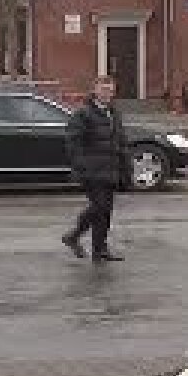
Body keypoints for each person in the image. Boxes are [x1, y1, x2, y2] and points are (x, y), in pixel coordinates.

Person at [61, 75, 128, 263]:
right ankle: (74, 235)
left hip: (111, 170)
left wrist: (125, 168)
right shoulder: (83, 114)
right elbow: (73, 143)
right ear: (95, 91)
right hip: (92, 171)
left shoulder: (114, 113)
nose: (108, 94)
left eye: (111, 91)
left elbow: (120, 142)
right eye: (104, 90)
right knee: (99, 207)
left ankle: (99, 250)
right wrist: (82, 166)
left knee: (106, 211)